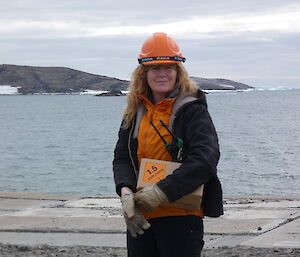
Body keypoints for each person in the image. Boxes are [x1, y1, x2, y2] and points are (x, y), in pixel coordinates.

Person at [113, 32, 223, 257]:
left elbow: (206, 159)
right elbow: (122, 157)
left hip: (182, 215)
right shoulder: (135, 112)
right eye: (155, 68)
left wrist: (161, 192)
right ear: (144, 73)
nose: (162, 74)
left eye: (168, 68)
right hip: (141, 215)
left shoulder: (192, 110)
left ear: (178, 72)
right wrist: (125, 192)